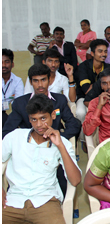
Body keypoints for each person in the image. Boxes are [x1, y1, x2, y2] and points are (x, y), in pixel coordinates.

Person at [2, 94, 81, 224]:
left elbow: (76, 180)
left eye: (43, 118)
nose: (39, 125)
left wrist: (60, 146)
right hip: (13, 200)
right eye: (34, 119)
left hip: (45, 202)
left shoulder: (63, 143)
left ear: (53, 116)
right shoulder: (14, 137)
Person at [3, 63, 81, 140]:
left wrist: (57, 137)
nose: (40, 85)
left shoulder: (59, 100)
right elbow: (7, 131)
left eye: (43, 80)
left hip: (54, 144)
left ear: (49, 80)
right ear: (30, 82)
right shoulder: (20, 103)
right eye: (36, 81)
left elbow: (73, 125)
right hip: (29, 146)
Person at [76, 39, 110, 128]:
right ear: (92, 53)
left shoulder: (109, 68)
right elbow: (86, 90)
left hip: (104, 97)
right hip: (83, 98)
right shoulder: (83, 66)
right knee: (80, 113)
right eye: (100, 51)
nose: (103, 54)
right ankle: (83, 139)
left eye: (105, 51)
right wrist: (101, 82)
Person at [2, 49, 24, 126]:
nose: (3, 65)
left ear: (12, 64)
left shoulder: (17, 81)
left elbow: (19, 102)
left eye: (7, 62)